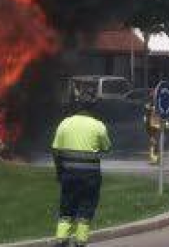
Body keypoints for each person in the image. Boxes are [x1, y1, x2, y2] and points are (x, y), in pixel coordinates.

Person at [51, 94, 112, 247]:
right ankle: (80, 242)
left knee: (66, 209)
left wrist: (59, 171)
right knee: (86, 209)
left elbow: (56, 150)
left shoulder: (64, 123)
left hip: (69, 174)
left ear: (77, 106)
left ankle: (61, 240)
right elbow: (107, 148)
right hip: (90, 177)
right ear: (93, 108)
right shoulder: (98, 126)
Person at [143, 93, 167, 165]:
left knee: (157, 142)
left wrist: (165, 123)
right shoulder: (149, 106)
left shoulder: (157, 105)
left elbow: (162, 115)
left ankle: (157, 158)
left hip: (157, 125)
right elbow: (147, 116)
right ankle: (154, 159)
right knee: (154, 142)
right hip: (152, 126)